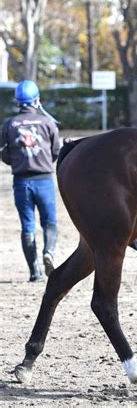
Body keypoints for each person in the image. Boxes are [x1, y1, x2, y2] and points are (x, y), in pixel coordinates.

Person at [1, 80, 60, 282]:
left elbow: (4, 154)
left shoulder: (9, 124)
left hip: (21, 182)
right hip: (44, 180)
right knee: (50, 222)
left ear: (18, 102)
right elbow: (55, 152)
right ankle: (49, 252)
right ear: (37, 100)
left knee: (28, 226)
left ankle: (35, 273)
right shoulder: (47, 122)